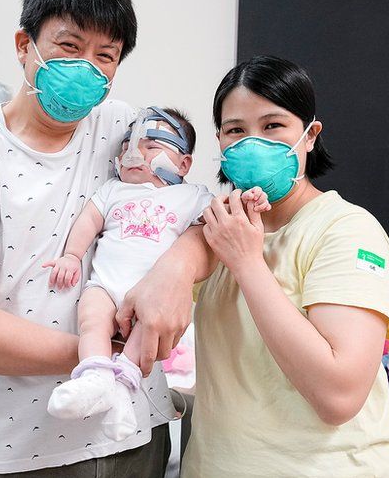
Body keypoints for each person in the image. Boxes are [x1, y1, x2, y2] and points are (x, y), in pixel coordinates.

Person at [0, 0, 212, 478]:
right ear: (25, 44)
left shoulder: (123, 127)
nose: (87, 68)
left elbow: (192, 217)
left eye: (106, 56)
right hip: (30, 450)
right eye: (70, 47)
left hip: (140, 431)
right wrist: (100, 362)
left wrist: (177, 271)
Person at [182, 55, 389, 478]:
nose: (252, 143)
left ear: (309, 135)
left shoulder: (346, 230)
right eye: (236, 131)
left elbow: (337, 396)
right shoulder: (222, 226)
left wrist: (247, 263)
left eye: (272, 126)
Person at [43, 107, 242, 442]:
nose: (134, 153)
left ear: (183, 165)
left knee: (143, 335)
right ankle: (95, 376)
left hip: (152, 295)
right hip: (104, 285)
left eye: (152, 146)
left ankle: (122, 390)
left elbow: (215, 219)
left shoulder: (190, 196)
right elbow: (89, 222)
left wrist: (244, 200)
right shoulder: (112, 190)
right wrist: (72, 255)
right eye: (127, 147)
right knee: (91, 320)